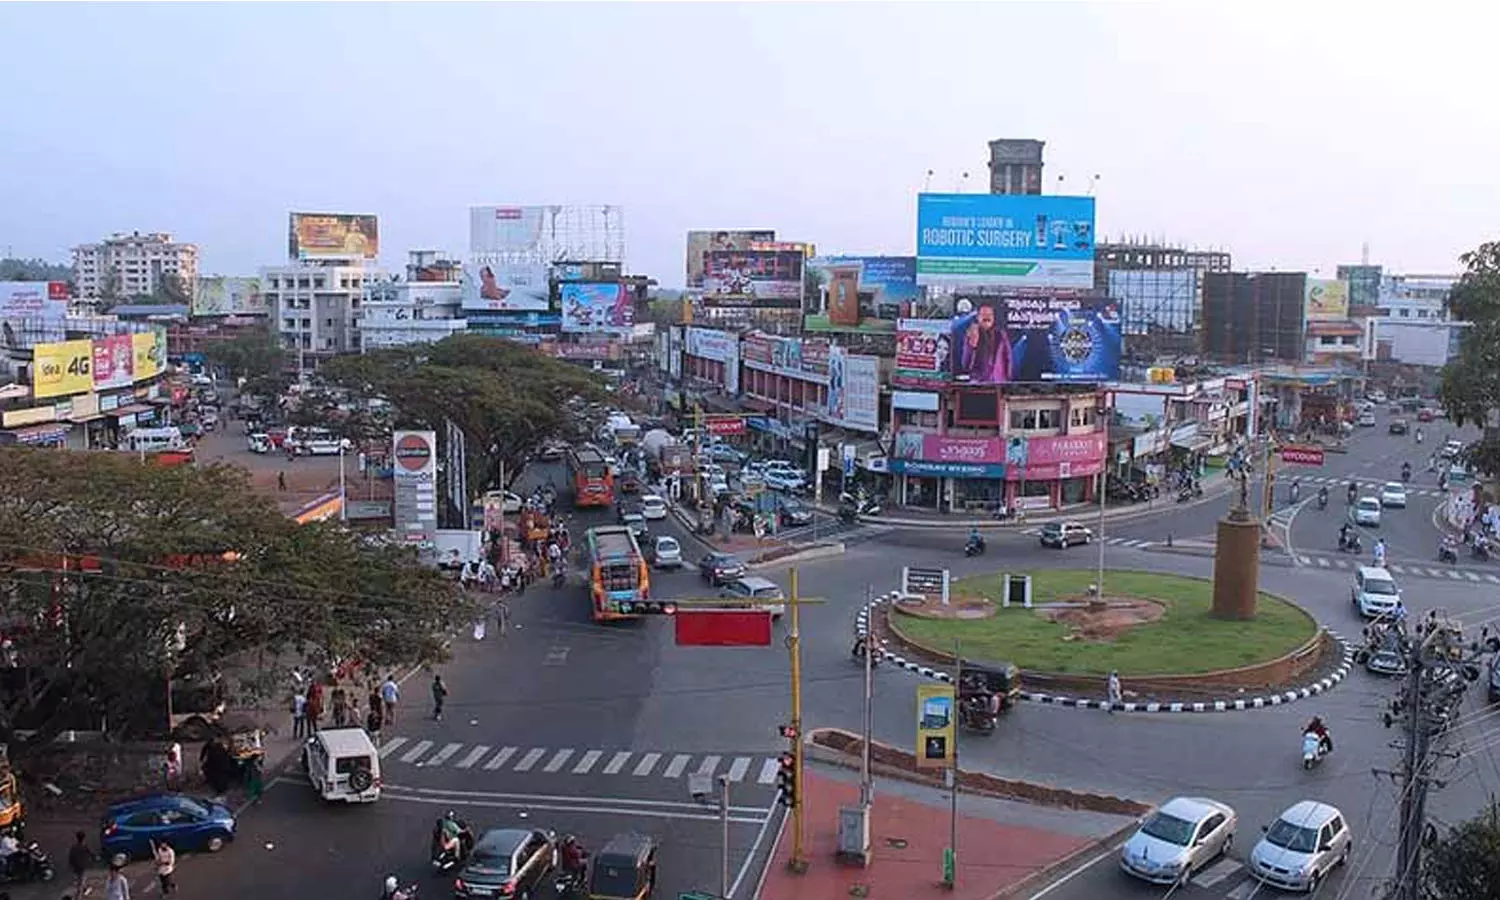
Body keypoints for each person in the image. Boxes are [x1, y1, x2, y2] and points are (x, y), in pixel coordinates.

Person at [956, 302, 1012, 385]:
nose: (987, 317)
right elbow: (965, 364)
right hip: (978, 382)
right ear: (978, 317)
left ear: (993, 317)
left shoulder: (1001, 334)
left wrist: (1008, 380)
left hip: (999, 381)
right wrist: (972, 345)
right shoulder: (971, 333)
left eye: (990, 315)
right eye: (984, 314)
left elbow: (1008, 358)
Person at [68, 830, 94, 898]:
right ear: (84, 838)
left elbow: (71, 857)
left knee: (80, 879)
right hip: (82, 867)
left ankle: (85, 889)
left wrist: (71, 865)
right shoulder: (84, 846)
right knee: (81, 882)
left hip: (76, 867)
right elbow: (91, 853)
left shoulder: (74, 847)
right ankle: (79, 896)